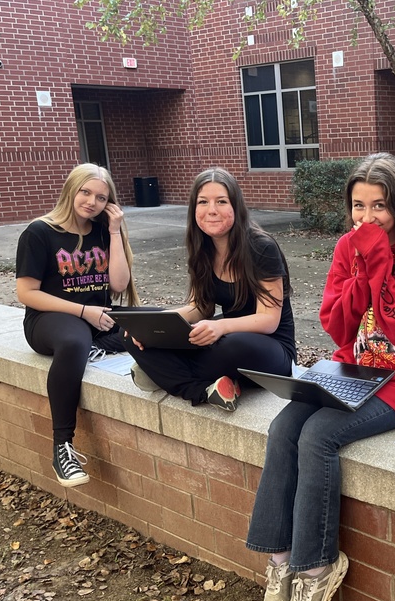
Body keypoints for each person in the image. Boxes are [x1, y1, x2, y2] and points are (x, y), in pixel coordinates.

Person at [246, 153, 395, 601]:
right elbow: (336, 324)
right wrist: (362, 267)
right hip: (353, 369)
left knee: (318, 435)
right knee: (284, 424)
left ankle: (317, 565)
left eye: (379, 206)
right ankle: (281, 556)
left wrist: (380, 259)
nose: (367, 218)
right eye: (358, 206)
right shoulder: (349, 248)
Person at [123, 167, 295, 411]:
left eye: (221, 201)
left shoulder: (261, 247)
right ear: (194, 208)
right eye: (203, 202)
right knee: (132, 333)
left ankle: (162, 373)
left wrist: (220, 326)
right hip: (224, 336)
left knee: (231, 346)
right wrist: (155, 325)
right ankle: (203, 390)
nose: (211, 210)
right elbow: (200, 307)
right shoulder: (202, 248)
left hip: (268, 349)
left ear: (235, 206)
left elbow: (269, 320)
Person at [16, 163, 139, 488]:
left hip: (97, 317)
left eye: (101, 197)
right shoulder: (39, 232)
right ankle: (62, 447)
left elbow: (118, 283)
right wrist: (83, 311)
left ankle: (203, 384)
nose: (92, 202)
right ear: (71, 189)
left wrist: (114, 231)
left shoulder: (102, 231)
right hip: (49, 320)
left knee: (158, 322)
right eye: (86, 192)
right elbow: (26, 293)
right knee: (74, 343)